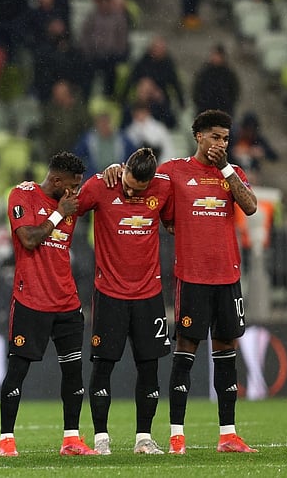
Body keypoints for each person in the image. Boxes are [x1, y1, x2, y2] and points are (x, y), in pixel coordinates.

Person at [104, 109, 258, 454]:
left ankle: (228, 435)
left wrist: (225, 169)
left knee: (226, 351)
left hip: (227, 276)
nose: (221, 143)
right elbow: (142, 187)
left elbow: (249, 207)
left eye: (226, 138)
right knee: (185, 352)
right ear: (199, 136)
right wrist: (115, 170)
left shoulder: (232, 174)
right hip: (192, 277)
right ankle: (177, 436)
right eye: (216, 136)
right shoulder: (173, 172)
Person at [0, 151, 97, 457]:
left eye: (78, 186)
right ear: (55, 180)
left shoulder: (71, 201)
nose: (75, 192)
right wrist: (58, 213)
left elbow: (104, 191)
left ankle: (71, 439)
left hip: (66, 301)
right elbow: (28, 239)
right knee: (17, 370)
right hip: (31, 299)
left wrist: (114, 171)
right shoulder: (23, 194)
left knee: (73, 372)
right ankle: (6, 440)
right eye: (71, 185)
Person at [76, 147, 171, 455]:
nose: (130, 191)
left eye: (138, 190)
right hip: (110, 294)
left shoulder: (164, 186)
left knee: (149, 368)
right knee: (103, 367)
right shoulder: (101, 185)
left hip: (149, 295)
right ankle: (101, 440)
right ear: (124, 170)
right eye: (128, 184)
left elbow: (173, 217)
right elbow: (70, 208)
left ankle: (144, 438)